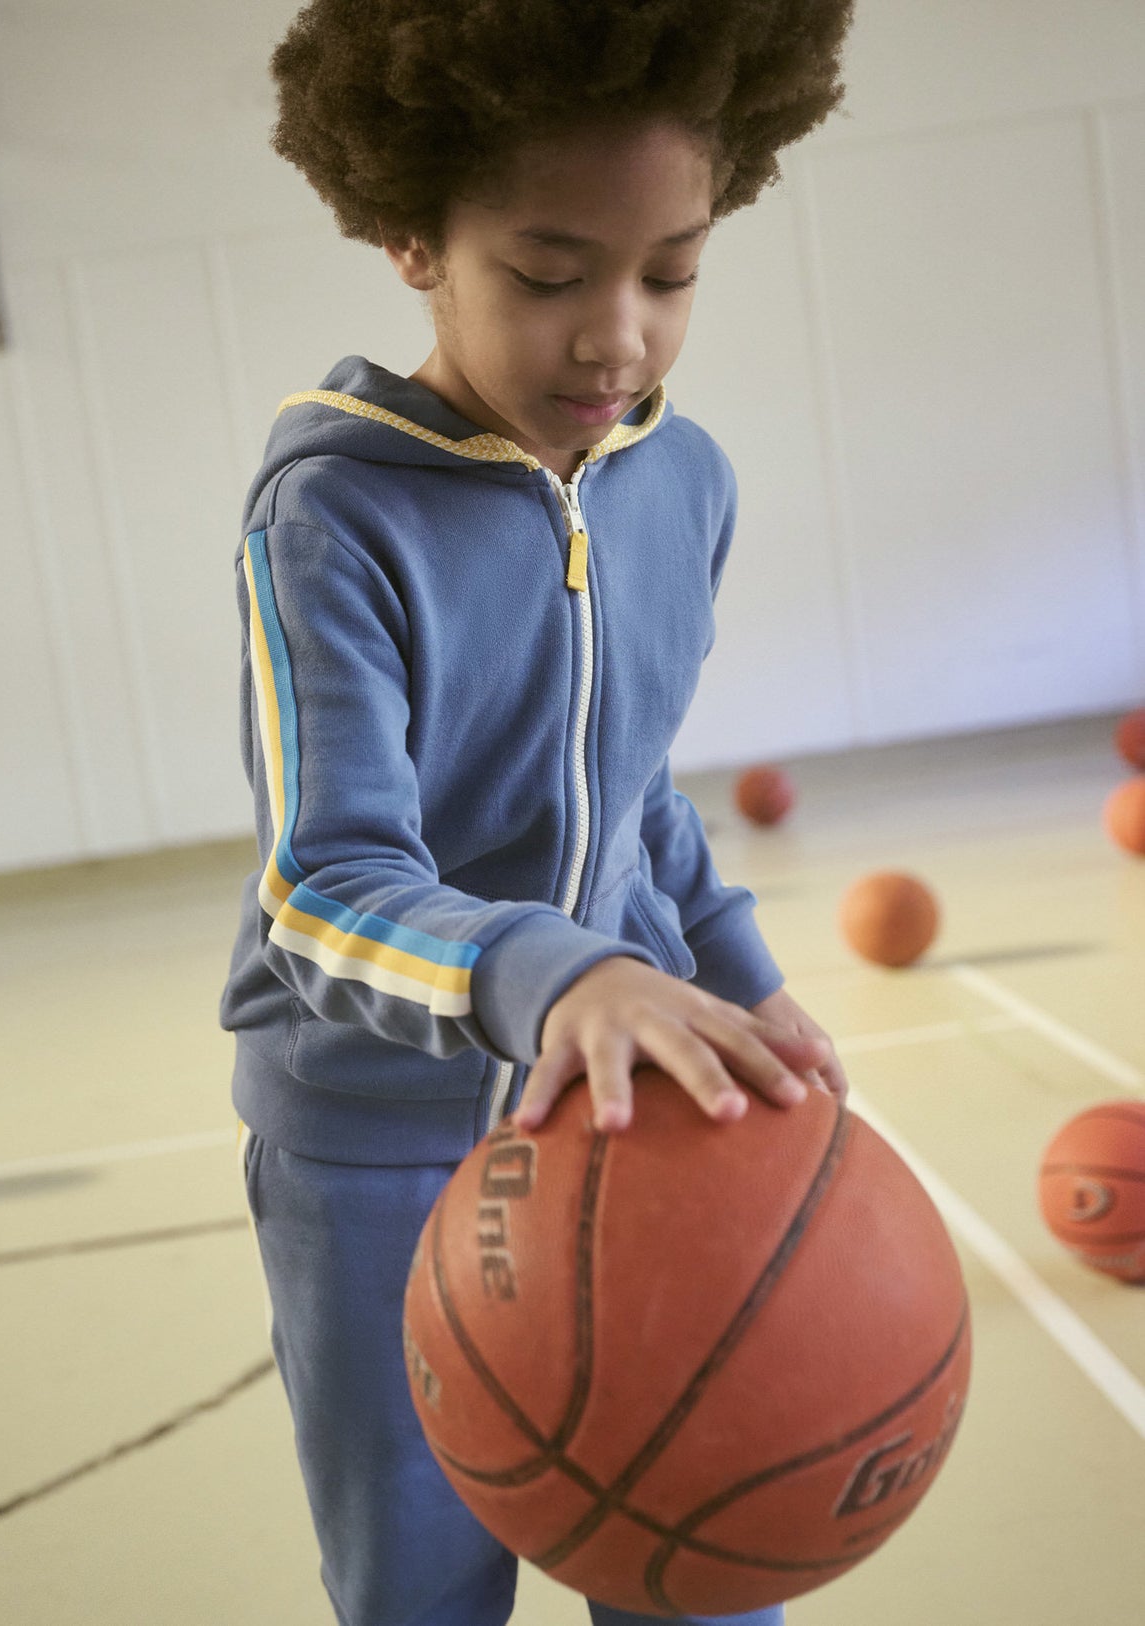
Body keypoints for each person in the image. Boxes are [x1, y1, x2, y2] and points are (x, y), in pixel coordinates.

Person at [220, 3, 856, 1622]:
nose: (616, 339)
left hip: (627, 1118)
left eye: (672, 272)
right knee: (424, 1587)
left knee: (708, 1557)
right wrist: (557, 971)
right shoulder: (331, 512)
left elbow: (631, 791)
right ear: (409, 238)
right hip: (376, 1153)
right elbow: (325, 888)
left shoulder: (681, 480)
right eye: (549, 273)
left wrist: (734, 968)